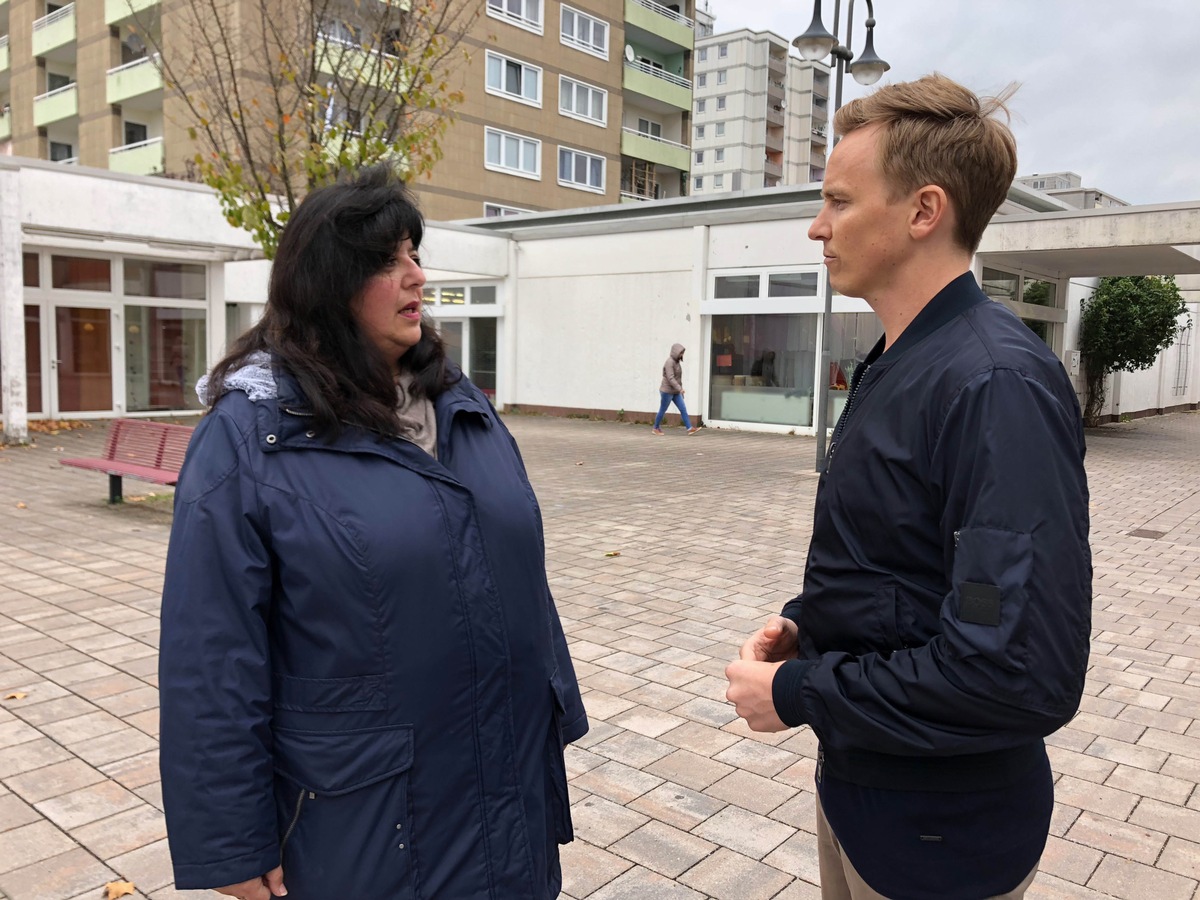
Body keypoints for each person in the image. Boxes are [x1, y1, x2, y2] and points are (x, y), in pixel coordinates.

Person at [159, 165, 588, 900]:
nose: (417, 275)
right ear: (328, 285)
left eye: (415, 254)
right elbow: (210, 653)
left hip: (504, 799)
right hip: (367, 828)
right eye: (388, 262)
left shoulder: (464, 408)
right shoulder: (251, 438)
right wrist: (230, 842)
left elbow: (520, 578)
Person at [725, 74, 1090, 900]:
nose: (817, 227)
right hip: (870, 803)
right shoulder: (903, 362)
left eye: (839, 202)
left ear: (924, 211)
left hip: (942, 842)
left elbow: (1017, 671)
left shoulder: (993, 385)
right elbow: (914, 562)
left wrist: (798, 690)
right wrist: (815, 626)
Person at [653, 342, 701, 435]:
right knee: (663, 409)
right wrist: (680, 389)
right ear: (676, 352)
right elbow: (671, 378)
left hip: (675, 391)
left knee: (683, 408)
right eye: (681, 353)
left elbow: (678, 379)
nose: (682, 355)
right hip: (667, 391)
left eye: (682, 353)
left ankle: (689, 428)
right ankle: (655, 428)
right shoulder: (669, 362)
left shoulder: (677, 362)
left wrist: (680, 390)